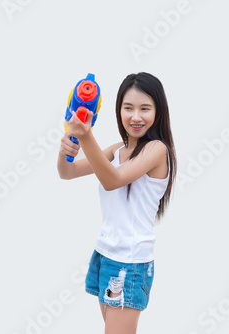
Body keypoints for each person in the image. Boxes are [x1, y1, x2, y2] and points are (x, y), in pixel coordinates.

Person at [57, 72, 177, 334]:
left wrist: (86, 137)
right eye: (128, 108)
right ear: (118, 110)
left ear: (158, 111)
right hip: (106, 254)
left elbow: (113, 181)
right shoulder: (116, 150)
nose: (135, 116)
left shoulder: (156, 150)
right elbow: (67, 173)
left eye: (145, 108)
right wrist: (67, 148)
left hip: (130, 262)